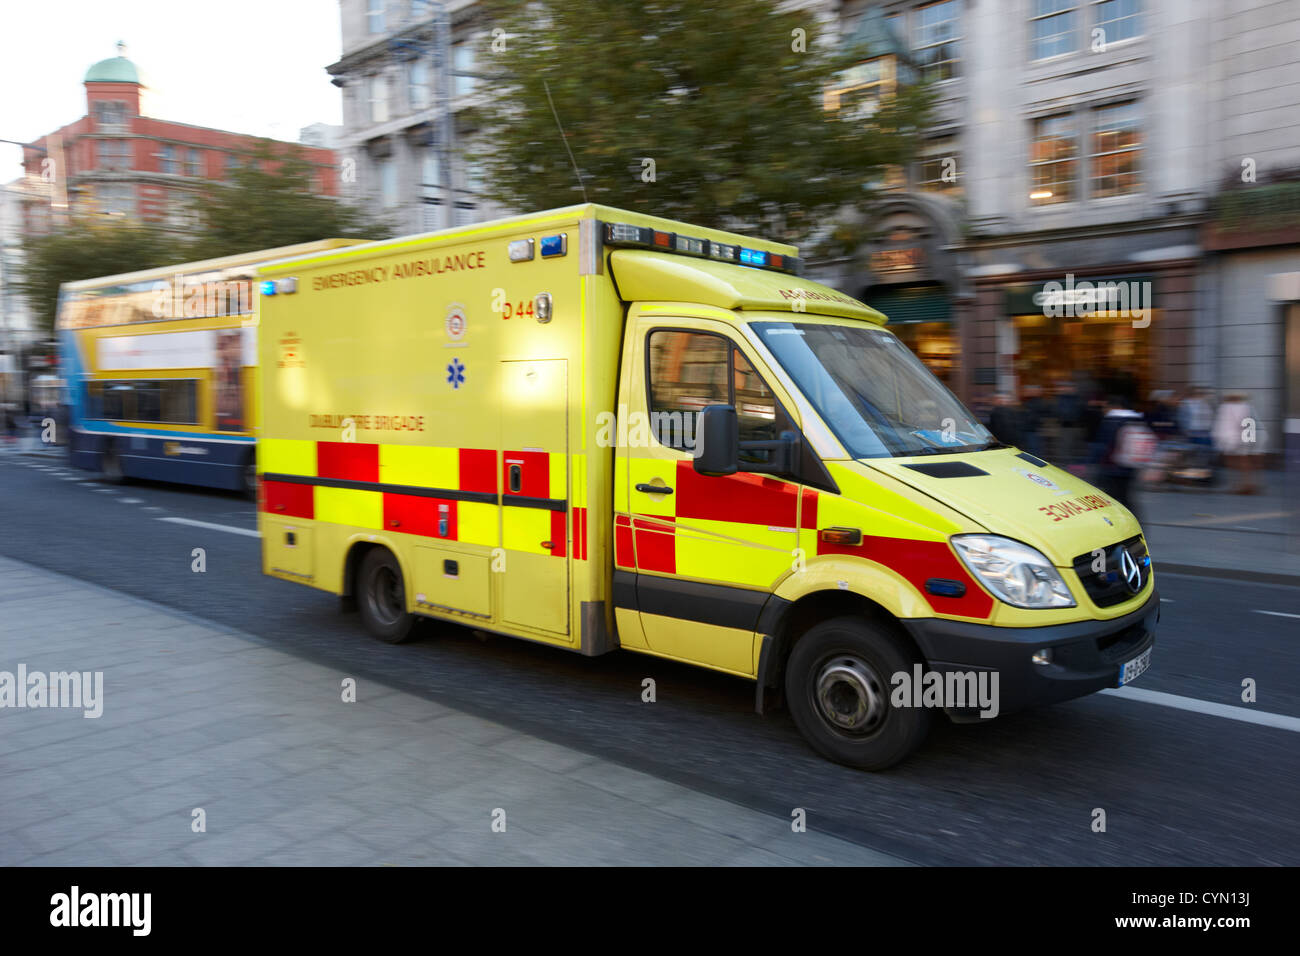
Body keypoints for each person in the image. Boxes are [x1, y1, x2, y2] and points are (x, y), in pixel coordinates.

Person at [1092, 395, 1146, 521]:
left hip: (1111, 467)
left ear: (1114, 406)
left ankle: (1111, 525)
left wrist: (1094, 462)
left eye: (1106, 406)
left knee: (1107, 499)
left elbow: (1103, 445)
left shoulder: (1111, 421)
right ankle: (1135, 522)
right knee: (1126, 498)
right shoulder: (1137, 420)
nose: (1104, 409)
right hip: (1130, 465)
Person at [1213, 392, 1261, 494]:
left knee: (1231, 462)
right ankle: (1247, 484)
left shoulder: (1224, 407)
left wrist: (1219, 438)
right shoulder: (1245, 407)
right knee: (1244, 461)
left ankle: (1235, 485)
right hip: (1242, 437)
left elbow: (1222, 424)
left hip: (1230, 438)